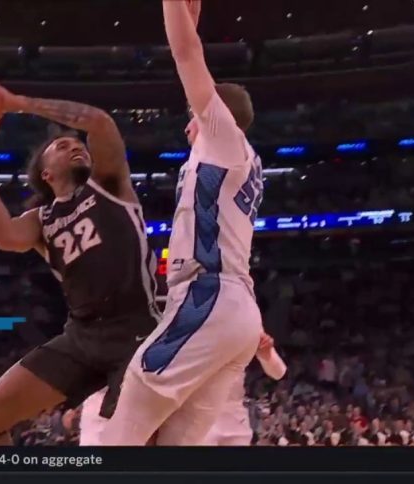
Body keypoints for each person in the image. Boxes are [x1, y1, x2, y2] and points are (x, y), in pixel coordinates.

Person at [0, 80, 158, 445]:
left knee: (126, 443)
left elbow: (98, 122)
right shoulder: (40, 220)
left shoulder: (109, 185)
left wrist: (17, 102)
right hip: (82, 336)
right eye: (61, 146)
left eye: (77, 144)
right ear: (46, 174)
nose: (74, 146)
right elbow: (3, 235)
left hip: (139, 332)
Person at [101, 0, 264, 445]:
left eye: (194, 116)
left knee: (125, 419)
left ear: (213, 117)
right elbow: (189, 65)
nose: (188, 124)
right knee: (175, 445)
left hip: (208, 296)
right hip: (233, 310)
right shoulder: (237, 157)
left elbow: (188, 60)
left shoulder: (223, 138)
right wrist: (187, 27)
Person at [205, 333, 286, 445]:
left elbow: (279, 372)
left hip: (235, 418)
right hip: (200, 415)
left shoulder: (249, 322)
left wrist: (266, 355)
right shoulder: (193, 324)